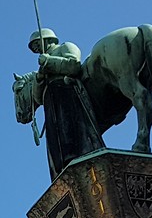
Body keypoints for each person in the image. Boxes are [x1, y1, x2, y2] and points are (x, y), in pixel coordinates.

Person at [26, 28, 104, 180]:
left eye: (37, 43)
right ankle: (62, 165)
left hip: (67, 93)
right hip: (51, 103)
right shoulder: (42, 64)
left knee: (73, 128)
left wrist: (50, 62)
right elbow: (37, 97)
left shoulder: (65, 47)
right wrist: (40, 77)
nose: (36, 48)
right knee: (56, 139)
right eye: (34, 46)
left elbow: (74, 65)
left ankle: (81, 154)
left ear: (49, 40)